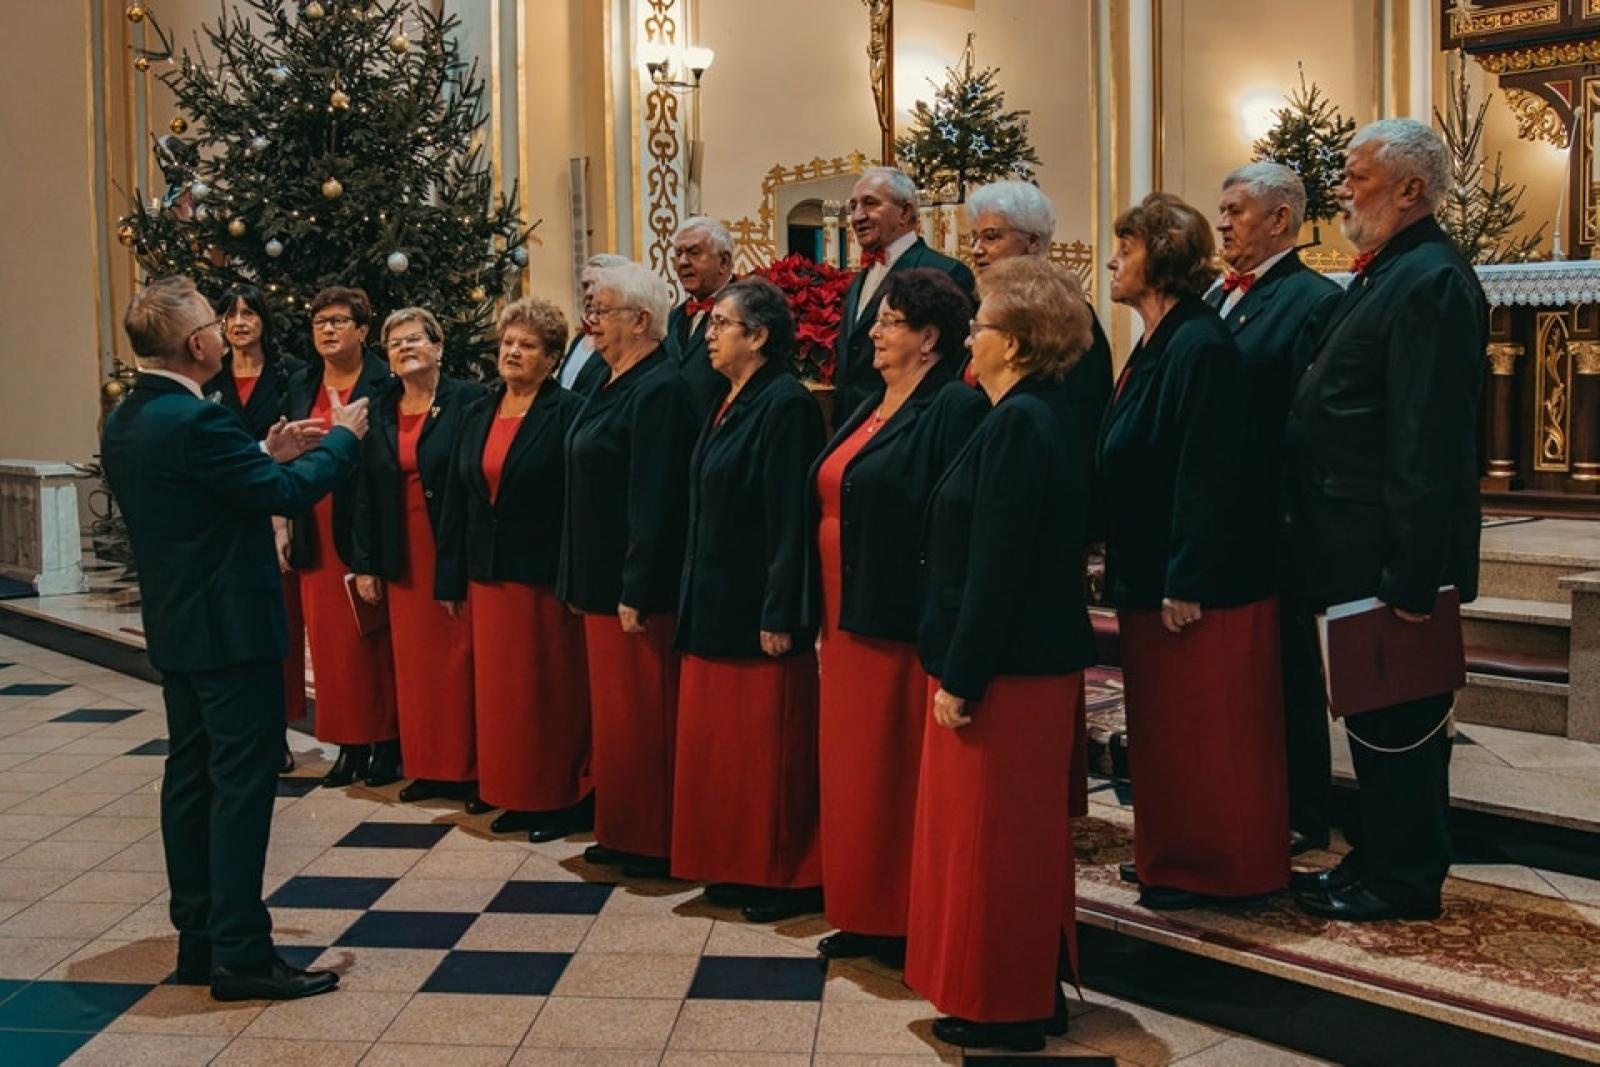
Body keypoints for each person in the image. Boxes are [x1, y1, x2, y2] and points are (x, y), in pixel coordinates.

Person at [102, 274, 367, 1001]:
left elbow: (209, 492)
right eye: (215, 324)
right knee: (241, 788)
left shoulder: (130, 416)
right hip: (233, 628)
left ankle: (201, 938)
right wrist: (341, 442)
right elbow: (280, 496)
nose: (224, 331)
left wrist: (260, 452)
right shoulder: (198, 421)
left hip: (179, 624)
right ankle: (244, 954)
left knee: (190, 779)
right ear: (196, 344)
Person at [1287, 118, 1486, 922]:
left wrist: (1413, 573)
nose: (1342, 187)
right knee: (1371, 720)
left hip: (1389, 554)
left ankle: (1405, 878)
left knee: (1401, 721)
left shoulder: (1432, 278)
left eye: (1357, 175)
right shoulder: (1387, 271)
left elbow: (1426, 438)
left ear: (1411, 188)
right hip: (1350, 543)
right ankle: (1373, 855)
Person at [905, 257, 1096, 1052]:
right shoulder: (1028, 413)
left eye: (978, 327)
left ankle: (1008, 1005)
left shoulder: (1022, 422)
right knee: (1007, 839)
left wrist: (963, 674)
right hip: (1023, 666)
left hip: (1010, 671)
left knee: (998, 843)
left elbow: (999, 563)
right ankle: (1026, 989)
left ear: (1014, 343)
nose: (968, 341)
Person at [1097, 192, 1288, 910]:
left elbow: (1208, 472)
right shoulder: (1159, 338)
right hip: (1153, 571)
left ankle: (1223, 869)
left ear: (1164, 258)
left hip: (1201, 585)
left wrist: (1188, 576)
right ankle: (1173, 857)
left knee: (1211, 735)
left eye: (1128, 245)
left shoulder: (1199, 342)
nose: (1114, 258)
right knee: (1167, 734)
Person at [808, 268, 986, 965]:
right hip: (841, 610)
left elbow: (948, 521)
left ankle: (901, 911)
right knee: (852, 770)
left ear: (929, 337)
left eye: (889, 322)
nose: (873, 333)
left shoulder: (953, 408)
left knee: (889, 771)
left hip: (896, 618)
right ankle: (860, 905)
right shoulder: (871, 401)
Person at [670, 278, 827, 921]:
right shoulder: (730, 397)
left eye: (722, 324)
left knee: (767, 752)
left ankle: (782, 875)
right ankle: (736, 864)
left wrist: (780, 610)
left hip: (756, 607)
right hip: (712, 599)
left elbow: (788, 515)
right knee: (726, 754)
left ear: (759, 337)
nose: (709, 334)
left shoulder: (785, 403)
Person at [966, 179, 1115, 820]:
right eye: (975, 237)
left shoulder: (1061, 326)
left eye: (991, 237)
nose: (977, 250)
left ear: (1033, 244)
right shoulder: (996, 323)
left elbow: (1074, 439)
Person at [1209, 162, 1342, 854]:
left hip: (1275, 511)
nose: (1223, 222)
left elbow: (1307, 415)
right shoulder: (1219, 293)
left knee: (1287, 665)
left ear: (1281, 219)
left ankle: (1301, 807)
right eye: (1222, 210)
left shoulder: (1312, 297)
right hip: (1226, 511)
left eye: (1235, 210)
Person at [557, 261, 696, 879]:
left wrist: (636, 586)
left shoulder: (661, 387)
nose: (592, 323)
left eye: (603, 311)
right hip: (597, 580)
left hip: (634, 589)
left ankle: (651, 836)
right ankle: (621, 826)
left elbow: (655, 498)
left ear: (640, 321)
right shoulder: (609, 381)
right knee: (615, 718)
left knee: (641, 717)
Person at [438, 298, 594, 840]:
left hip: (542, 577)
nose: (512, 352)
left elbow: (579, 503)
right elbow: (458, 500)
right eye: (508, 342)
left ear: (552, 357)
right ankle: (509, 790)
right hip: (488, 575)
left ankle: (555, 798)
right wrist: (450, 574)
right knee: (501, 695)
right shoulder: (477, 410)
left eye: (527, 345)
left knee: (546, 693)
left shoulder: (570, 410)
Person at [351, 308, 484, 805]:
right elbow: (364, 488)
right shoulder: (380, 407)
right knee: (416, 669)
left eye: (414, 339)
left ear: (439, 346)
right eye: (395, 343)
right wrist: (365, 562)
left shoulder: (468, 400)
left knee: (460, 664)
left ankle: (470, 769)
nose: (405, 348)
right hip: (401, 554)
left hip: (452, 549)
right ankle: (428, 766)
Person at [285, 287, 401, 787]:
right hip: (314, 524)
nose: (327, 330)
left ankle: (386, 745)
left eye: (338, 321)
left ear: (363, 330)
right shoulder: (301, 382)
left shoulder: (384, 383)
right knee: (330, 647)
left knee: (370, 642)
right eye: (319, 321)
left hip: (363, 525)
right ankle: (348, 746)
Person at [204, 283, 309, 772]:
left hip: (275, 512)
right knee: (232, 629)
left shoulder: (289, 377)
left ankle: (279, 732)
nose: (240, 322)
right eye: (230, 314)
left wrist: (282, 520)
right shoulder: (210, 382)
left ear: (265, 321)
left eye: (249, 313)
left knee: (278, 629)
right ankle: (237, 731)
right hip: (223, 521)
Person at [834, 166, 975, 419]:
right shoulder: (860, 278)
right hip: (854, 420)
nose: (857, 216)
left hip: (909, 420)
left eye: (870, 203)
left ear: (905, 212)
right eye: (853, 206)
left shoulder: (945, 271)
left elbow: (951, 363)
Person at [667, 217, 736, 420]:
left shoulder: (748, 310)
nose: (683, 262)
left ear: (724, 262)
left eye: (694, 253)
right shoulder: (673, 318)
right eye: (678, 254)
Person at [558, 253, 630, 396]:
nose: (589, 293)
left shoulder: (624, 343)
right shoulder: (579, 339)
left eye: (597, 285)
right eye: (585, 286)